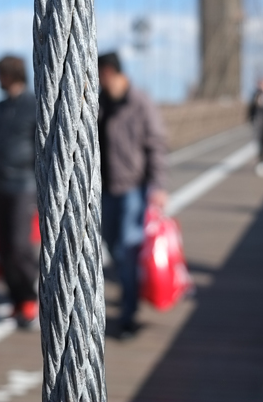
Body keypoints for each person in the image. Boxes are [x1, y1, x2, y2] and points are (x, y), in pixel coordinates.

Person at [97, 52, 168, 339]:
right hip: (103, 189)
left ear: (112, 73)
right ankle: (129, 293)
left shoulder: (140, 101)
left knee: (128, 251)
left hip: (132, 188)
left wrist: (159, 185)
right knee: (113, 248)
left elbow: (157, 143)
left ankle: (128, 315)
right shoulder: (98, 102)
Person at [0, 55, 39, 328]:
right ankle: (16, 301)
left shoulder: (33, 104)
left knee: (19, 246)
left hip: (24, 185)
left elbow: (41, 146)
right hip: (1, 185)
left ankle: (29, 298)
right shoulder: (0, 108)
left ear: (10, 75)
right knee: (3, 247)